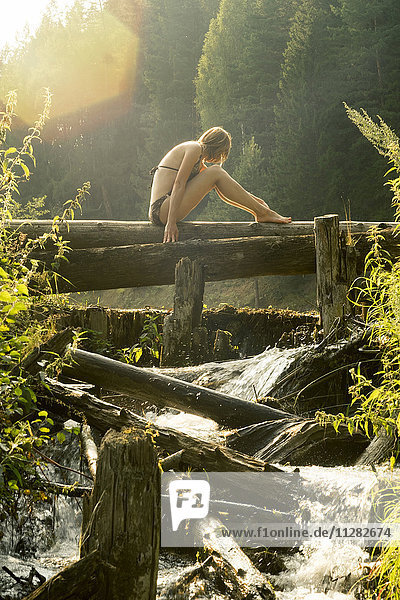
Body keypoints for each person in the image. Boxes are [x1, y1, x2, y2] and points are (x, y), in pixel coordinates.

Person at [149, 126, 292, 243]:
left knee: (216, 173)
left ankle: (260, 212)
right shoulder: (194, 148)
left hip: (164, 211)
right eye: (222, 153)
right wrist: (171, 222)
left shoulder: (200, 164)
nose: (219, 158)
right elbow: (179, 184)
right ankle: (262, 213)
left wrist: (256, 201)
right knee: (216, 171)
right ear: (217, 147)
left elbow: (225, 186)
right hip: (162, 209)